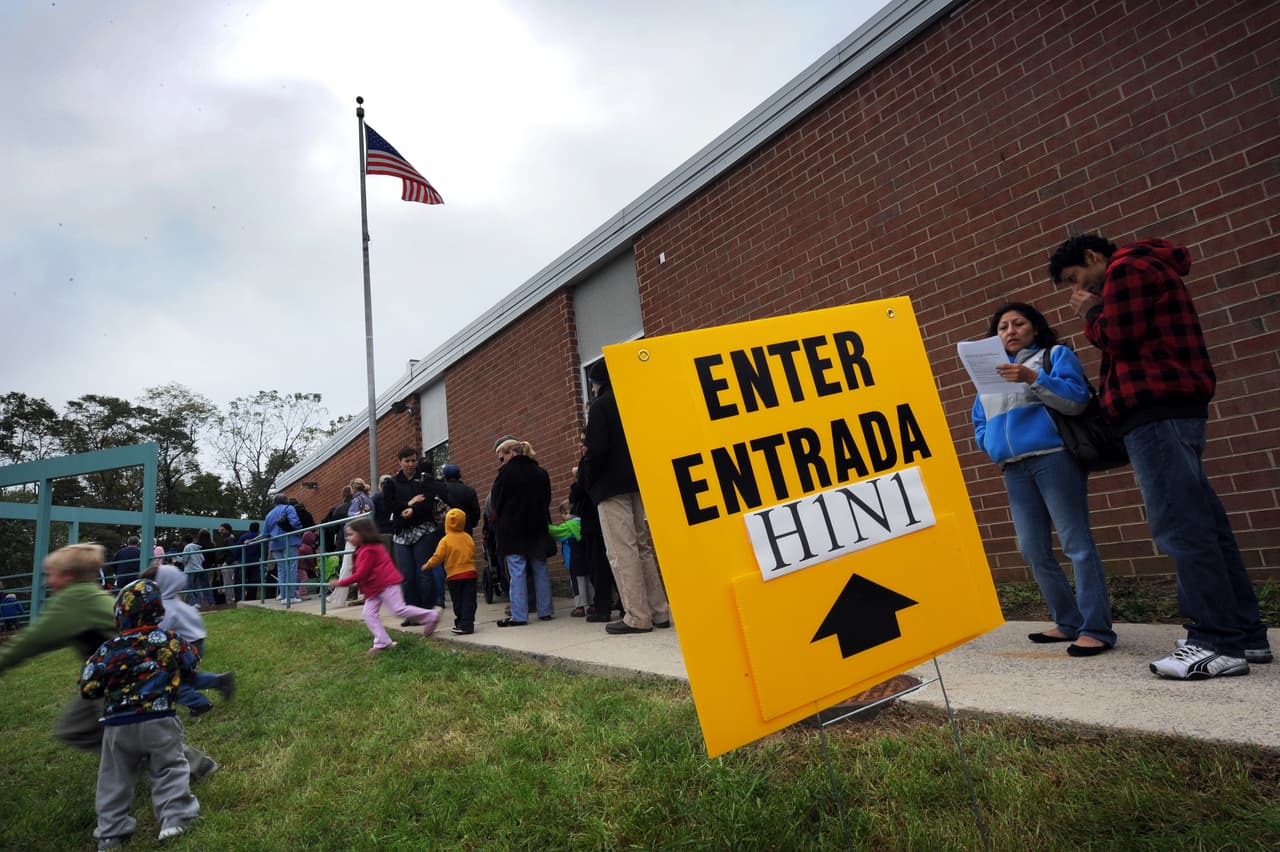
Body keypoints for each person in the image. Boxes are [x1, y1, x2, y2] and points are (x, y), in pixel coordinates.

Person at [1051, 233, 1271, 678]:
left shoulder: (1125, 270)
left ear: (1094, 257)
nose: (1082, 290)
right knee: (1205, 524)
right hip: (1172, 409)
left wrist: (1091, 312)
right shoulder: (1147, 268)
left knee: (1179, 526)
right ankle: (1244, 634)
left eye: (1078, 278)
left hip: (1154, 411)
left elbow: (1118, 336)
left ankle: (1214, 640)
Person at [971, 302, 1115, 656]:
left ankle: (1096, 629)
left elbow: (1077, 400)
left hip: (1054, 458)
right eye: (1002, 326)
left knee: (1075, 543)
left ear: (1035, 328)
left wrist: (1033, 378)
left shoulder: (1055, 356)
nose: (1010, 331)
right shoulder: (988, 375)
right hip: (1014, 467)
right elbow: (979, 420)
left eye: (1018, 323)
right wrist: (990, 444)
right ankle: (1067, 621)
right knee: (1032, 548)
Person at [79, 578, 203, 847]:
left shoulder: (107, 650)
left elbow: (89, 687)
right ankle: (175, 818)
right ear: (159, 611)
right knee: (169, 766)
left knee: (114, 778)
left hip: (117, 725)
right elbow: (192, 661)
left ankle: (111, 833)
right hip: (159, 719)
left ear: (119, 614)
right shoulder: (168, 641)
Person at [582, 360, 671, 635]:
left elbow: (596, 450)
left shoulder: (600, 406)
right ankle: (659, 612)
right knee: (642, 548)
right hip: (636, 482)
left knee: (622, 552)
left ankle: (637, 616)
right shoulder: (630, 401)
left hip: (610, 488)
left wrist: (587, 479)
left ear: (597, 383)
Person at [327, 517, 441, 654]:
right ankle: (382, 641)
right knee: (368, 614)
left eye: (351, 534)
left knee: (398, 610)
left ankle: (431, 616)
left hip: (386, 584)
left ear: (363, 533)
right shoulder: (364, 549)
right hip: (375, 588)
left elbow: (362, 574)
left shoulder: (369, 550)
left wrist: (340, 583)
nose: (347, 538)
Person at [146, 563, 236, 718]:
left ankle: (199, 703)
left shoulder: (164, 607)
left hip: (181, 648)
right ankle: (220, 681)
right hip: (196, 644)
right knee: (187, 677)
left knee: (169, 682)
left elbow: (158, 633)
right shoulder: (180, 603)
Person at [489, 439, 555, 626]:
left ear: (511, 453)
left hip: (512, 529)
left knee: (517, 570)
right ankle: (546, 610)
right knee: (540, 568)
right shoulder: (541, 473)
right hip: (537, 526)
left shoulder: (505, 475)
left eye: (501, 458)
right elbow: (546, 500)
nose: (501, 463)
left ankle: (519, 615)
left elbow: (497, 504)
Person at [383, 447, 448, 613]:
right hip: (402, 532)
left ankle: (426, 610)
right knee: (406, 575)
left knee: (424, 572)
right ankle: (411, 611)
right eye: (407, 461)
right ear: (400, 462)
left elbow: (427, 503)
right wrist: (409, 504)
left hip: (423, 530)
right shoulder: (391, 482)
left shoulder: (425, 479)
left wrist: (414, 510)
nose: (410, 464)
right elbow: (389, 505)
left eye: (413, 460)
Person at [423, 507, 478, 635]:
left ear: (447, 523)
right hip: (470, 573)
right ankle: (466, 622)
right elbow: (473, 552)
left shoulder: (445, 540)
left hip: (454, 576)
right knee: (469, 600)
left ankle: (462, 622)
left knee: (458, 601)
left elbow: (438, 557)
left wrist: (428, 565)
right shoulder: (468, 538)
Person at [329, 478, 376, 607]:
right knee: (363, 566)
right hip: (368, 535)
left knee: (347, 566)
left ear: (353, 489)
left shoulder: (357, 500)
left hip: (356, 536)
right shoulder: (369, 500)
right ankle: (364, 594)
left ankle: (339, 598)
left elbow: (351, 518)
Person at [549, 499, 592, 617]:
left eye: (566, 513)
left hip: (574, 562)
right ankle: (592, 604)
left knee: (577, 584)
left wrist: (544, 524)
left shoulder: (570, 526)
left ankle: (580, 607)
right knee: (589, 581)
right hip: (587, 559)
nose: (563, 516)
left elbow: (555, 532)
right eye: (562, 513)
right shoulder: (584, 523)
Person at [263, 494, 303, 603]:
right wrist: (299, 529)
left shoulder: (269, 514)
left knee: (281, 570)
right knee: (291, 568)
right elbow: (295, 523)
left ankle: (282, 594)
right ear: (286, 501)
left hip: (275, 544)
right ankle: (290, 597)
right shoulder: (289, 508)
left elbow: (265, 533)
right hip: (289, 541)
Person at [441, 464, 482, 534]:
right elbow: (476, 512)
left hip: (447, 531)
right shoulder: (469, 491)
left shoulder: (442, 490)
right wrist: (470, 524)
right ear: (459, 475)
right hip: (466, 529)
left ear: (445, 476)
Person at [237, 522, 264, 601]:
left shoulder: (243, 537)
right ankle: (252, 598)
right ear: (258, 528)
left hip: (244, 561)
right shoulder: (259, 537)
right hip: (255, 562)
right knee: (254, 581)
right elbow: (261, 550)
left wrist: (237, 559)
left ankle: (240, 598)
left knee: (241, 580)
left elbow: (237, 549)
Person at [297, 531, 318, 600]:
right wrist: (313, 568)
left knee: (297, 580)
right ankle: (303, 594)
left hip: (296, 566)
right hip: (301, 567)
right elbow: (310, 560)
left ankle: (296, 593)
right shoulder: (308, 548)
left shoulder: (300, 545)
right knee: (304, 578)